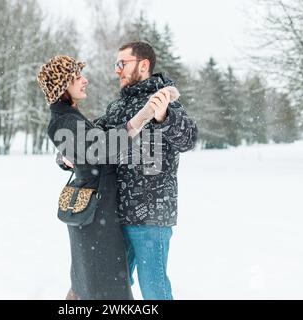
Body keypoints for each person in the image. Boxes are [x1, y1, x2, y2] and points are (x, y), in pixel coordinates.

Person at [37, 55, 173, 300]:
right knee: (103, 286)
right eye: (77, 77)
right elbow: (104, 147)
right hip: (94, 215)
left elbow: (91, 144)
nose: (84, 81)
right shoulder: (63, 120)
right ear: (62, 86)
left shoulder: (70, 116)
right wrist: (142, 116)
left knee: (96, 283)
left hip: (97, 211)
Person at [92, 42, 198, 300]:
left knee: (154, 288)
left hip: (151, 216)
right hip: (114, 215)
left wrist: (164, 117)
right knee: (114, 288)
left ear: (144, 65)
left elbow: (189, 139)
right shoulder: (116, 106)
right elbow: (90, 141)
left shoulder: (164, 100)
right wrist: (66, 156)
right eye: (116, 64)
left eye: (122, 63)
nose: (117, 70)